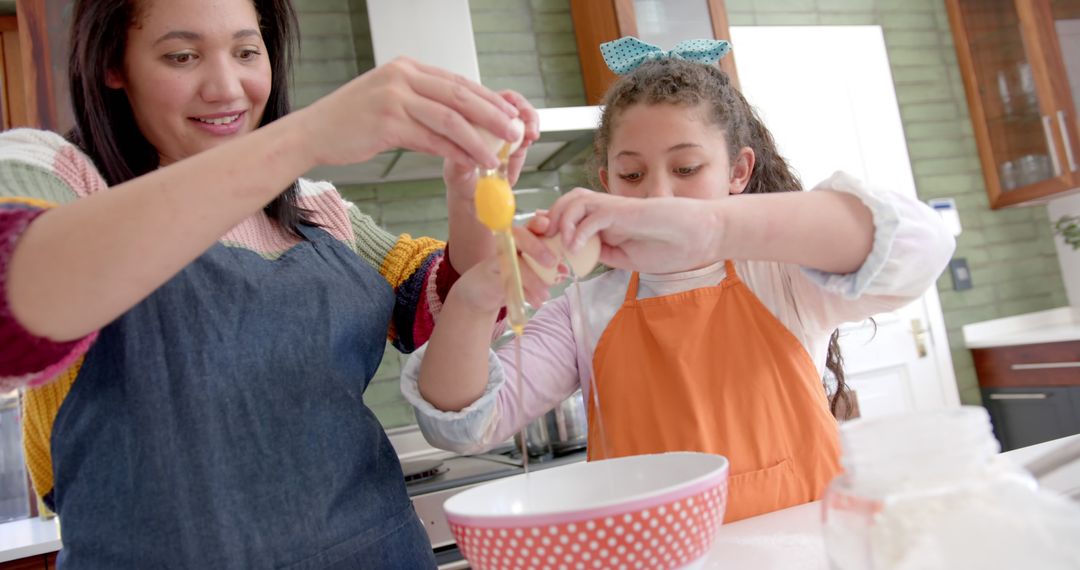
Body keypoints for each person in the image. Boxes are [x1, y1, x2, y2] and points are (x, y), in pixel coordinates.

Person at [0, 0, 539, 567]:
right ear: (113, 64)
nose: (226, 87)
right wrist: (301, 138)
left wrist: (471, 189)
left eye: (246, 52)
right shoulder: (56, 171)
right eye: (182, 56)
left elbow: (442, 309)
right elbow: (15, 308)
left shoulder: (311, 207)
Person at [402, 37, 956, 523]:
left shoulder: (784, 276)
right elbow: (460, 424)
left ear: (738, 172)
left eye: (686, 169)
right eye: (633, 174)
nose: (657, 195)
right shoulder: (583, 312)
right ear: (606, 182)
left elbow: (918, 246)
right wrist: (475, 297)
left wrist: (713, 228)